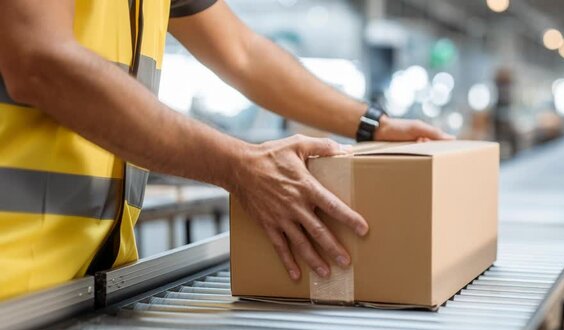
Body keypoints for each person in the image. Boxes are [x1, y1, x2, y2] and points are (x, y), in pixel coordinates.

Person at [0, 0, 452, 300]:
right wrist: (238, 166)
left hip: (89, 289)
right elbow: (39, 60)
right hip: (12, 285)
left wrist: (373, 125)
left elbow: (242, 53)